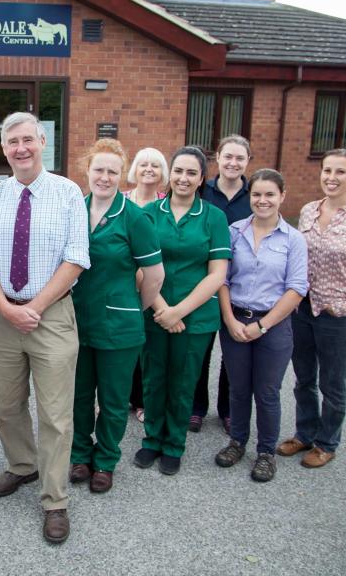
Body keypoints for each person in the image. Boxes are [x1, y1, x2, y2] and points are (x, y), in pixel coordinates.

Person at [0, 112, 89, 544]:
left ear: (43, 141)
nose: (20, 148)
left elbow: (76, 258)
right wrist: (6, 307)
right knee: (5, 406)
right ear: (3, 148)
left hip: (52, 316)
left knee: (56, 415)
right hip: (2, 315)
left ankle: (55, 500)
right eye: (12, 142)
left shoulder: (66, 194)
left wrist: (35, 307)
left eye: (28, 139)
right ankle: (23, 465)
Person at [277, 148, 346, 469]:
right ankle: (305, 434)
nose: (332, 178)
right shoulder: (309, 210)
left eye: (340, 172)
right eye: (327, 171)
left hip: (337, 315)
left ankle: (327, 443)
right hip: (303, 311)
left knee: (332, 383)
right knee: (303, 378)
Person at [70, 139, 164, 493]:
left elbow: (155, 276)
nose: (105, 177)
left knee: (112, 399)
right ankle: (80, 454)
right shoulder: (74, 208)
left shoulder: (134, 217)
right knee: (79, 395)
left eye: (112, 171)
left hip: (120, 327)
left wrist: (132, 308)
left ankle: (106, 460)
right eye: (99, 170)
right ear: (87, 171)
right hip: (77, 321)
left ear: (121, 174)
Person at [133, 146, 230, 475]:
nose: (184, 178)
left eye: (192, 173)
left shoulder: (213, 217)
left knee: (183, 380)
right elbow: (139, 264)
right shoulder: (149, 214)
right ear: (169, 174)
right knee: (153, 377)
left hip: (196, 316)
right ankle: (151, 440)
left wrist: (180, 312)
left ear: (202, 178)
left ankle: (173, 444)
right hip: (154, 311)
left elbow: (217, 274)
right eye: (179, 171)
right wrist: (162, 308)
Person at [213, 170, 308, 482]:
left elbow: (296, 289)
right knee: (238, 389)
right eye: (257, 194)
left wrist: (262, 326)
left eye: (270, 194)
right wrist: (229, 319)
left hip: (274, 325)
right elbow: (222, 279)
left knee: (266, 391)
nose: (262, 200)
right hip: (236, 320)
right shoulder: (234, 232)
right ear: (249, 196)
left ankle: (266, 452)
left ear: (282, 196)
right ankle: (237, 442)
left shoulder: (293, 239)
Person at [191, 135, 254, 434]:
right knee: (200, 349)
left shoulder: (254, 195)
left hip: (239, 285)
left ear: (247, 162)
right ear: (218, 157)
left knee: (233, 352)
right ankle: (196, 408)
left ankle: (228, 410)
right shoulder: (204, 190)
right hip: (204, 280)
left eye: (240, 158)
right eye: (228, 156)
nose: (233, 163)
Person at [124, 146, 169, 423]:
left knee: (149, 349)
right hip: (125, 286)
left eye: (155, 164)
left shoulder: (166, 204)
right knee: (121, 348)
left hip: (156, 289)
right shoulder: (121, 201)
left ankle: (142, 401)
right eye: (143, 164)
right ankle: (116, 398)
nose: (149, 169)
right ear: (135, 169)